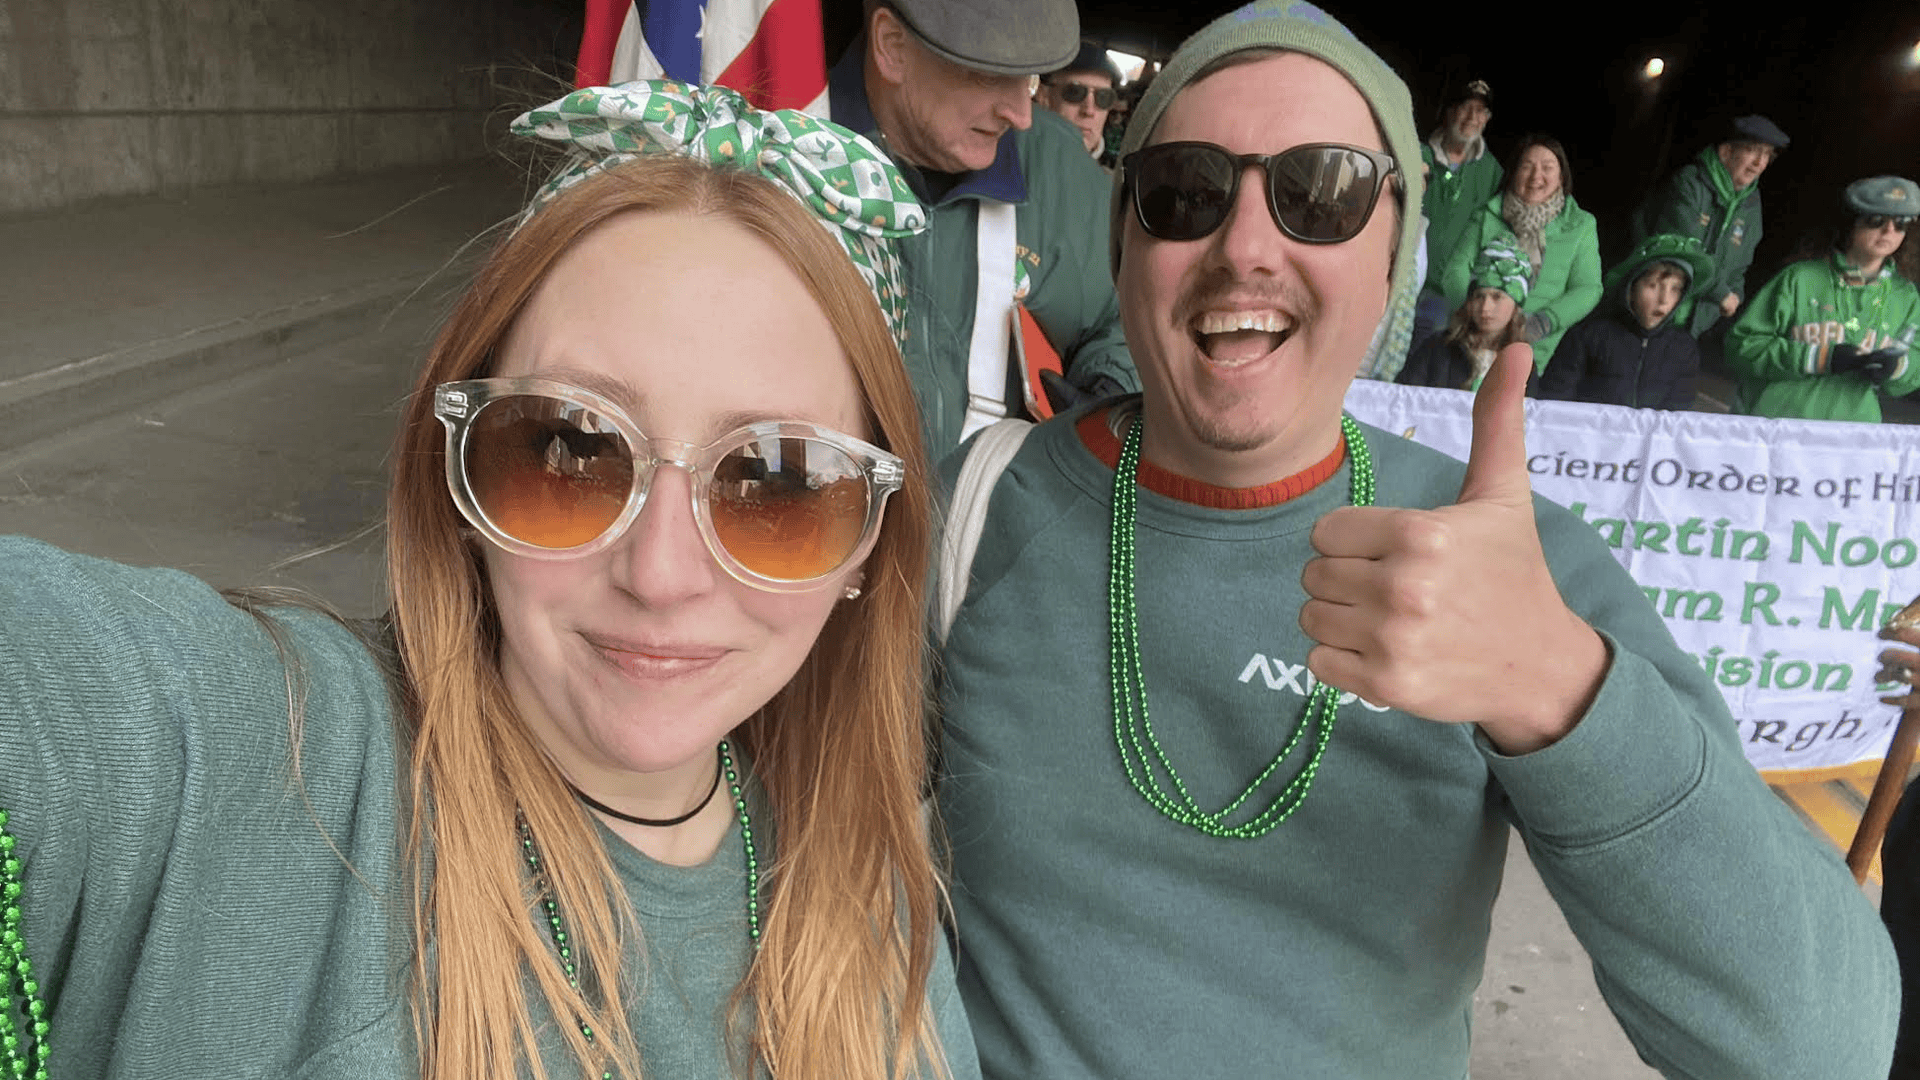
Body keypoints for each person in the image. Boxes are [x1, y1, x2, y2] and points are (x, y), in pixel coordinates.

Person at [931, 4, 1898, 1079]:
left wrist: (1558, 691)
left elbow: (1825, 1044)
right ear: (1127, 243)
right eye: (1185, 191)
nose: (1245, 245)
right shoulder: (973, 511)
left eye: (1321, 193)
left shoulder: (1509, 569)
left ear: (1397, 254)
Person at [0, 82, 981, 1080]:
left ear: (868, 543)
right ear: (457, 472)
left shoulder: (872, 909)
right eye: (567, 447)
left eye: (776, 482)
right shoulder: (284, 765)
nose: (662, 573)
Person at [827, 0, 1136, 454]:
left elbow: (1123, 314)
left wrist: (1110, 389)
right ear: (892, 47)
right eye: (989, 75)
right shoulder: (774, 151)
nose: (1021, 115)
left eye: (1028, 79)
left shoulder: (1062, 170)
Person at [1724, 175, 1920, 422]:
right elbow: (1740, 349)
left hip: (1852, 438)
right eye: (1876, 220)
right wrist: (1818, 358)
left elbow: (1913, 371)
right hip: (1778, 426)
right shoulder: (1799, 278)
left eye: (1901, 223)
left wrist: (1898, 368)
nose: (1889, 230)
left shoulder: (1906, 296)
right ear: (1852, 223)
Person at [1439, 133, 1602, 372]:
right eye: (1527, 167)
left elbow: (1588, 288)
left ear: (1561, 177)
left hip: (1537, 349)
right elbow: (1456, 269)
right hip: (1473, 341)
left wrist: (1544, 322)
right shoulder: (1488, 214)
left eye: (1547, 168)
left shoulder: (1580, 225)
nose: (1536, 176)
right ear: (1514, 173)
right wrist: (1473, 315)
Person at [1631, 115, 1790, 338]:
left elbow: (1740, 266)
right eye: (1752, 150)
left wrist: (1736, 294)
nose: (1759, 163)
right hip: (1645, 312)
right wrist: (1722, 293)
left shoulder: (1752, 203)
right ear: (1726, 152)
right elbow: (1680, 249)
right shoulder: (1689, 182)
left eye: (1766, 155)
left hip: (1692, 328)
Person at [1537, 232, 1713, 409]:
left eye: (1675, 289)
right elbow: (1554, 401)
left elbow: (1677, 419)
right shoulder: (1589, 336)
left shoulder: (1683, 350)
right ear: (1630, 289)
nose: (1664, 299)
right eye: (1652, 285)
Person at [1412, 78, 1501, 346]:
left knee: (1424, 353)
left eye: (1481, 111)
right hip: (1401, 283)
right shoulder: (1418, 154)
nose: (1472, 117)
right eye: (1465, 107)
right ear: (1449, 112)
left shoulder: (1492, 172)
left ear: (1487, 119)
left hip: (1446, 295)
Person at [1399, 236, 1532, 391]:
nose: (1485, 307)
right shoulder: (1437, 349)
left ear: (1516, 306)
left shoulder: (1524, 365)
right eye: (1478, 296)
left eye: (1497, 297)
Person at [1036, 43, 1122, 160]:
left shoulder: (1116, 176)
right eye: (1074, 92)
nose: (1089, 111)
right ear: (1043, 95)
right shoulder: (1009, 161)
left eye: (1103, 97)